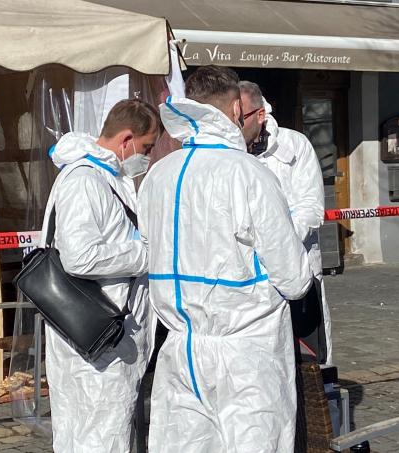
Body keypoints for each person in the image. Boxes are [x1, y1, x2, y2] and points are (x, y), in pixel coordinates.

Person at [138, 65, 313, 453]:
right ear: (236, 108)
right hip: (248, 353)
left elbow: (148, 248)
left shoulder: (158, 176)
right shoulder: (249, 175)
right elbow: (294, 278)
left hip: (181, 349)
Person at [42, 99, 160, 452]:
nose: (148, 157)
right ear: (126, 140)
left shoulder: (102, 176)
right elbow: (80, 257)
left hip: (102, 334)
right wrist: (146, 256)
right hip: (97, 337)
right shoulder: (84, 180)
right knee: (99, 433)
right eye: (147, 147)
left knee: (95, 428)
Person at [239, 81, 332, 365]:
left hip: (299, 272)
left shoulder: (295, 145)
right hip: (250, 280)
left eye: (239, 119)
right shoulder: (230, 152)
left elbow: (311, 209)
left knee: (309, 365)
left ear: (260, 114)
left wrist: (276, 242)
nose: (233, 126)